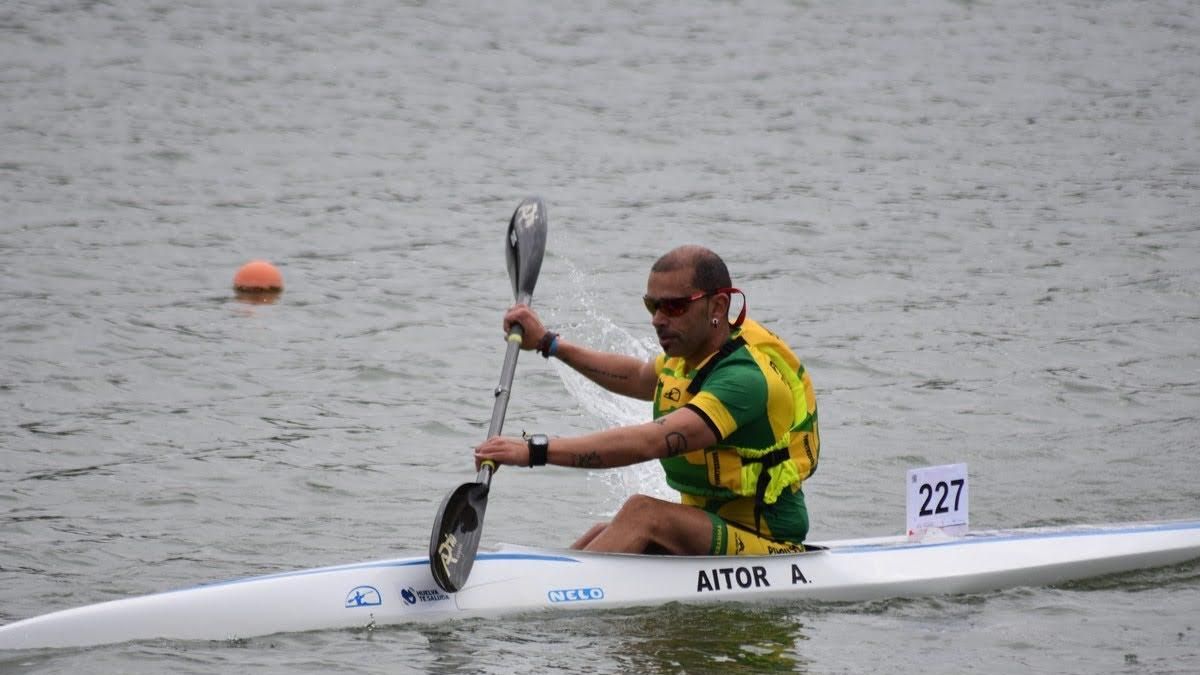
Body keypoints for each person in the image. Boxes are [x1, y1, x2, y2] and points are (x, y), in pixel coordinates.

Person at [474, 245, 820, 556]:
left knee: (642, 515)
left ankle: (546, 594)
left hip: (767, 541)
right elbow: (638, 376)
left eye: (673, 306)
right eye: (652, 305)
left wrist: (535, 450)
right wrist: (549, 343)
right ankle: (533, 579)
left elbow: (651, 442)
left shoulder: (745, 380)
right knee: (607, 531)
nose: (657, 319)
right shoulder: (692, 355)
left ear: (718, 306)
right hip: (710, 525)